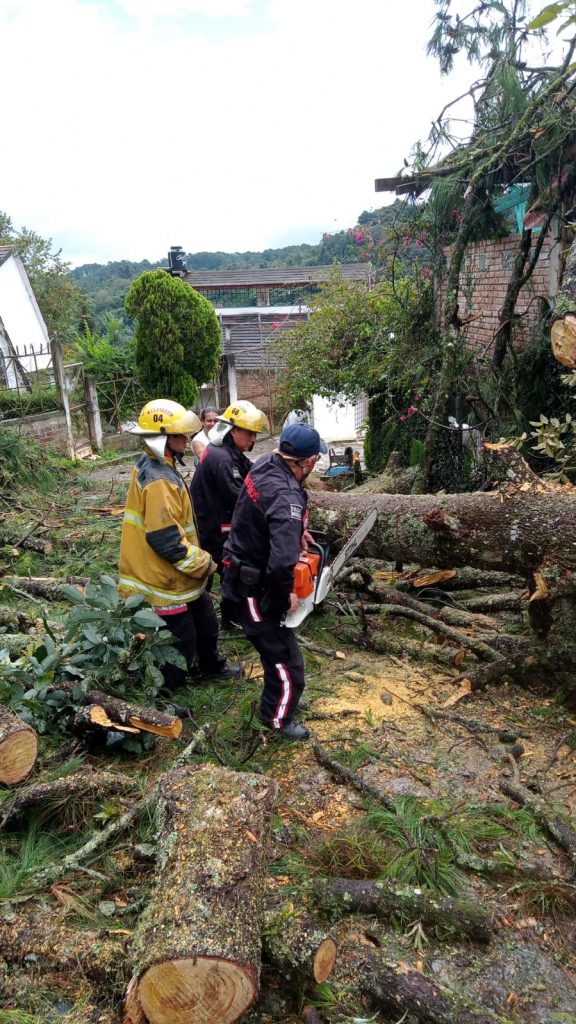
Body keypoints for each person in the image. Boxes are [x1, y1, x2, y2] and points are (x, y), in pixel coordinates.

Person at [118, 398, 241, 693]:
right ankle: (166, 695)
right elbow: (167, 542)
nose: (186, 440)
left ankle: (211, 666)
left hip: (175, 575)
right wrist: (206, 564)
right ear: (161, 437)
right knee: (181, 640)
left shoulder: (161, 463)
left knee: (206, 621)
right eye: (178, 435)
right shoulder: (159, 480)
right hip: (161, 579)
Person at [221, 422, 327, 741]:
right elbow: (282, 564)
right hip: (255, 588)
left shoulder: (268, 463)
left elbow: (268, 517)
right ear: (308, 462)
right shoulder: (285, 497)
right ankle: (277, 719)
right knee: (286, 662)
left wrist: (296, 532)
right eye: (315, 461)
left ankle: (284, 697)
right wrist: (284, 599)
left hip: (245, 569)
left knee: (277, 657)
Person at [190, 400, 269, 625]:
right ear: (233, 430)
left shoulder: (226, 450)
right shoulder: (223, 459)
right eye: (250, 434)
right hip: (214, 528)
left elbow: (250, 470)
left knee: (220, 572)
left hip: (215, 523)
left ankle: (218, 615)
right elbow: (240, 497)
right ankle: (228, 618)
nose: (254, 440)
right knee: (229, 572)